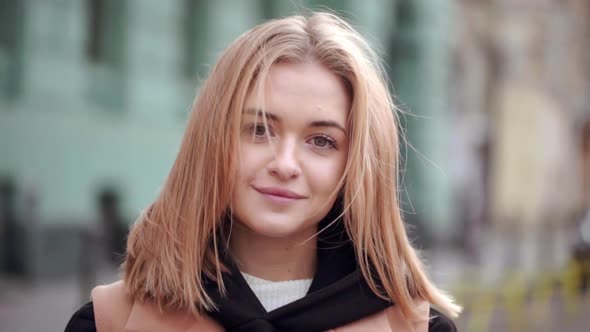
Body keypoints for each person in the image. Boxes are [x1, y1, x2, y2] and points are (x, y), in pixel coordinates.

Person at [65, 12, 461, 332]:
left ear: (353, 165)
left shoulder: (415, 328)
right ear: (213, 140)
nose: (285, 164)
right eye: (259, 129)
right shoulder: (109, 323)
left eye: (321, 141)